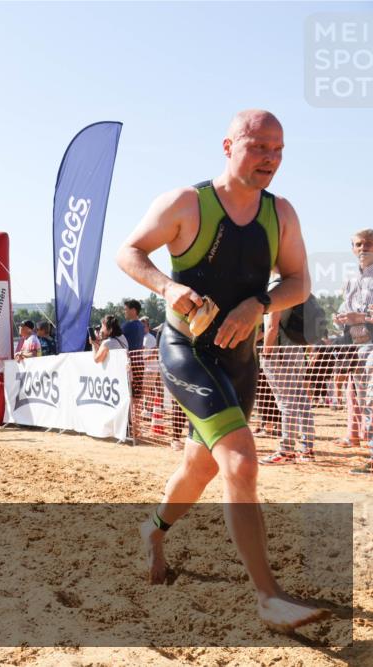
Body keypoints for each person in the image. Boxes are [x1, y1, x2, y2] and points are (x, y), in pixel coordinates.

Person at [116, 109, 327, 631]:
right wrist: (169, 288)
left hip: (240, 361)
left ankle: (154, 529)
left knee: (202, 467)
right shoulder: (186, 203)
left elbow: (298, 282)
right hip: (187, 353)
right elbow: (129, 251)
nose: (270, 160)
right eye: (259, 147)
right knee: (241, 463)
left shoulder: (281, 215)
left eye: (278, 150)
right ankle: (268, 596)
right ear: (228, 145)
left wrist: (259, 303)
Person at [258, 277, 317, 464]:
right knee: (301, 400)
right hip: (296, 350)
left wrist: (266, 354)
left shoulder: (276, 288)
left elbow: (272, 325)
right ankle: (307, 448)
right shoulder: (297, 286)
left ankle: (286, 450)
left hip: (279, 352)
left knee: (286, 402)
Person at [331, 230, 373, 456]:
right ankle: (359, 436)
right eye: (358, 244)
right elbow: (344, 308)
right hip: (354, 343)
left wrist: (364, 318)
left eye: (368, 244)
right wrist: (339, 318)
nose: (363, 248)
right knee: (356, 392)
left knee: (370, 394)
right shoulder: (349, 279)